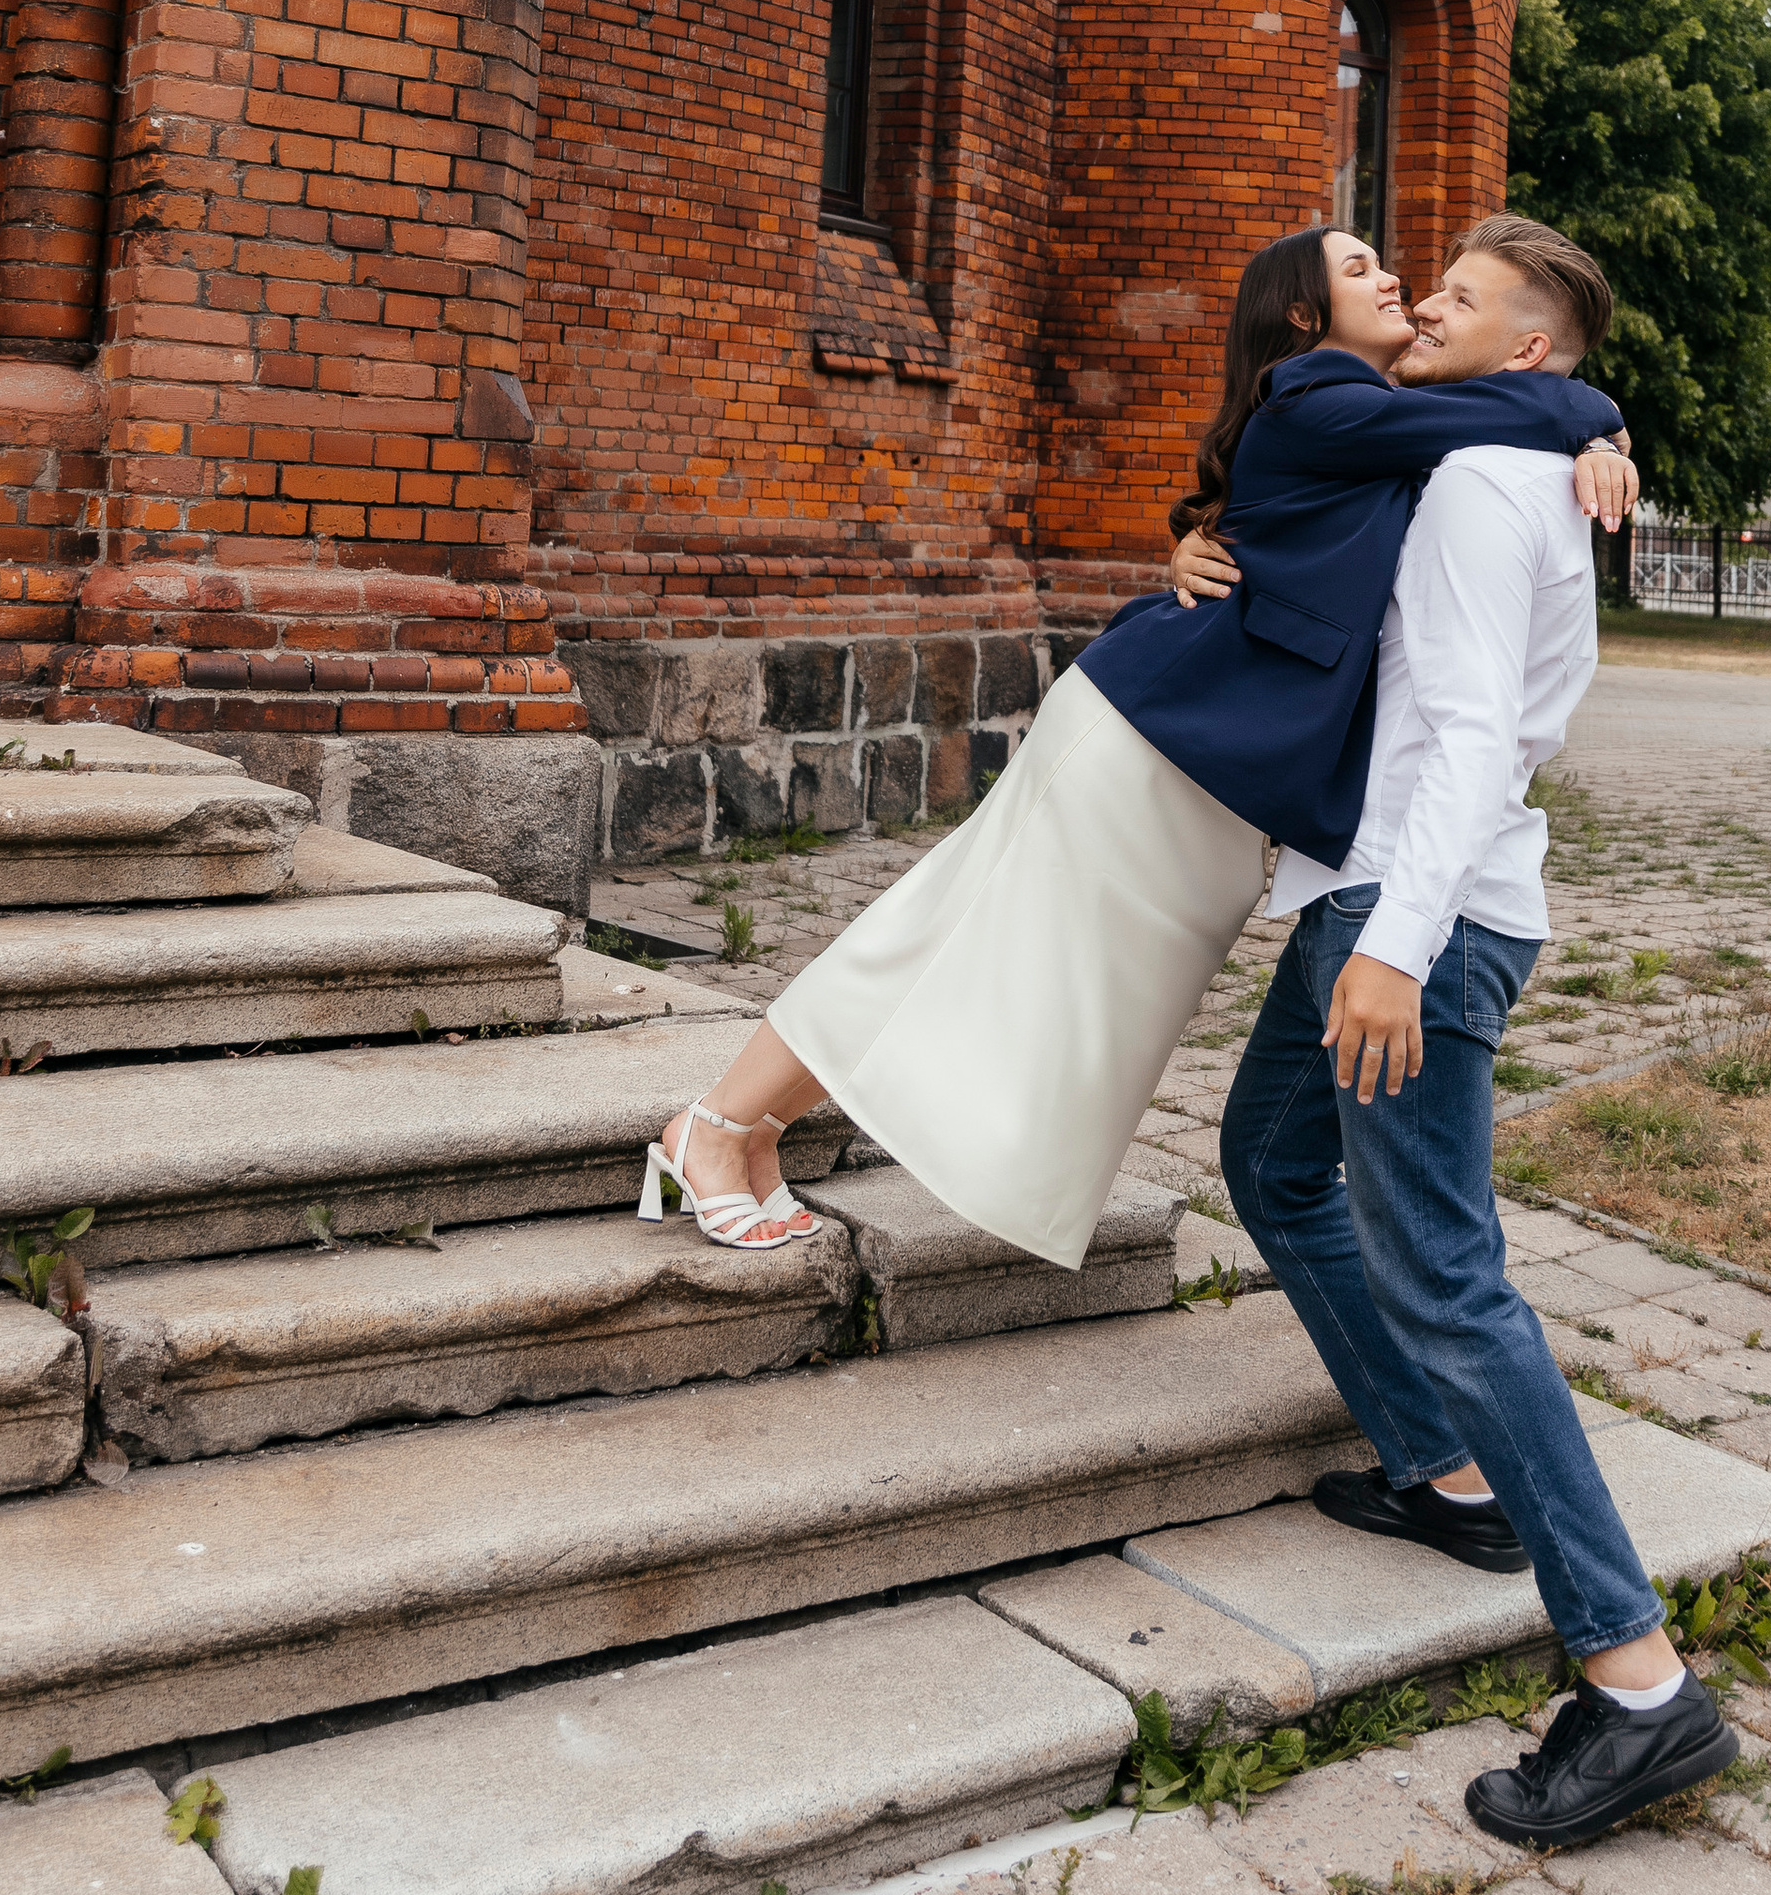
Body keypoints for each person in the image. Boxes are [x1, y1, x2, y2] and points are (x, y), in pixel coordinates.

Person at [636, 223, 1635, 1260]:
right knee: (941, 937)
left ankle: (747, 1129)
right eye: (1359, 270)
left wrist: (1588, 442)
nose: (1403, 286)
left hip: (1205, 765)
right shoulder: (1320, 393)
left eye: (1410, 279)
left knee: (960, 947)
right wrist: (1597, 424)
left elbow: (1474, 430)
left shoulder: (1395, 424)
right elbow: (1524, 400)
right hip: (1150, 739)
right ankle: (712, 1130)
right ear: (1301, 316)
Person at [1176, 212, 1738, 1846]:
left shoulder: (1488, 486)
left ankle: (1637, 1684)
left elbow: (1482, 731)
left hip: (1419, 918)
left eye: (1468, 301)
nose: (1429, 306)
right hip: (1366, 896)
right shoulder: (1484, 456)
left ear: (1531, 352)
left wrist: (1397, 954)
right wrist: (1191, 551)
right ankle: (1443, 1471)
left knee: (1446, 1269)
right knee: (1272, 1161)